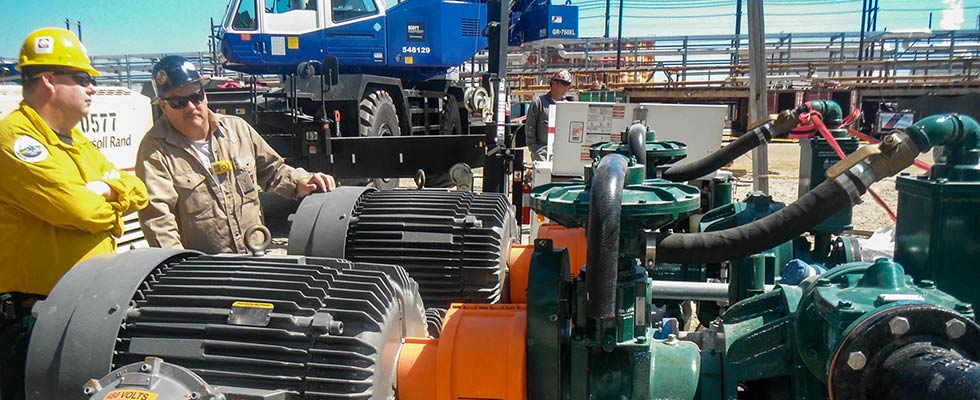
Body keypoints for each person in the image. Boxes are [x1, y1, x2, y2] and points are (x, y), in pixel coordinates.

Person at [0, 27, 148, 400]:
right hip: (34, 315)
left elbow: (139, 191)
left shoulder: (75, 140)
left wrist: (105, 192)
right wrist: (109, 201)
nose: (92, 88)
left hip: (83, 304)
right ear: (48, 80)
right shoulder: (15, 140)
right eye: (82, 78)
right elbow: (78, 209)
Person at [137, 55, 336, 254]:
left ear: (204, 95)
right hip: (206, 271)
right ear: (163, 106)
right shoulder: (155, 151)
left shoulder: (237, 130)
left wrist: (302, 182)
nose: (191, 106)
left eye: (195, 96)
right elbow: (158, 219)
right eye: (178, 102)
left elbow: (273, 170)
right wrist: (179, 267)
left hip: (255, 256)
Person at [525, 69, 573, 162]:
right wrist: (534, 149)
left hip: (562, 154)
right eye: (564, 84)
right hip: (542, 152)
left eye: (568, 85)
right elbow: (530, 128)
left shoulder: (567, 106)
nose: (566, 88)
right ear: (554, 83)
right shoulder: (539, 103)